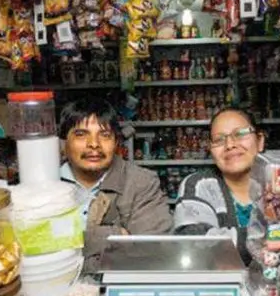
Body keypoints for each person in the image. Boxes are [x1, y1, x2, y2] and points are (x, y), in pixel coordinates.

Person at [59, 98, 173, 272]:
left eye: (104, 135)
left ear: (116, 142)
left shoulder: (140, 183)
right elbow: (29, 248)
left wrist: (68, 248)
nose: (94, 144)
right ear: (64, 143)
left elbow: (153, 253)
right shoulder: (46, 186)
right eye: (81, 134)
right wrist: (114, 235)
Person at [173, 107, 264, 265]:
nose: (230, 145)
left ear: (260, 141)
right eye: (219, 140)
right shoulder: (198, 185)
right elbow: (195, 243)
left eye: (240, 134)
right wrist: (269, 239)